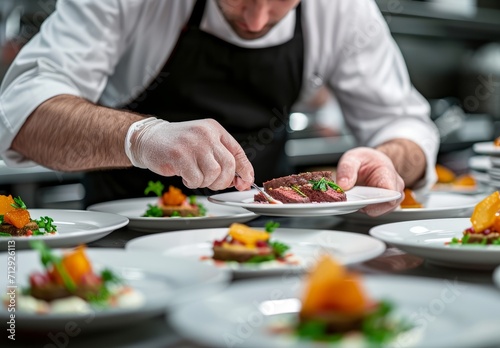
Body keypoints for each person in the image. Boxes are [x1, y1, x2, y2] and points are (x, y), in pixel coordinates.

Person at [0, 0, 439, 216]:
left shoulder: (342, 9)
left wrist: (388, 158)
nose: (255, 21)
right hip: (125, 242)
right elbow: (20, 112)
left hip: (270, 245)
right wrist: (142, 138)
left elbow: (404, 123)